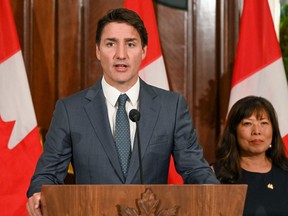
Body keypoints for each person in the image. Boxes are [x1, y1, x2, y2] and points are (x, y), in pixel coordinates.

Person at [26, 8, 219, 216]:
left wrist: (217, 196)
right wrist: (38, 194)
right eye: (111, 44)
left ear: (143, 50)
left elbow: (194, 169)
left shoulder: (171, 107)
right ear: (98, 51)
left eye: (130, 44)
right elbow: (48, 173)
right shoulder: (70, 110)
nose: (121, 55)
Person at [213, 96, 288, 216]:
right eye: (248, 123)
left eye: (264, 123)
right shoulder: (214, 176)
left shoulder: (285, 173)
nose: (257, 131)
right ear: (234, 132)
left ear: (273, 131)